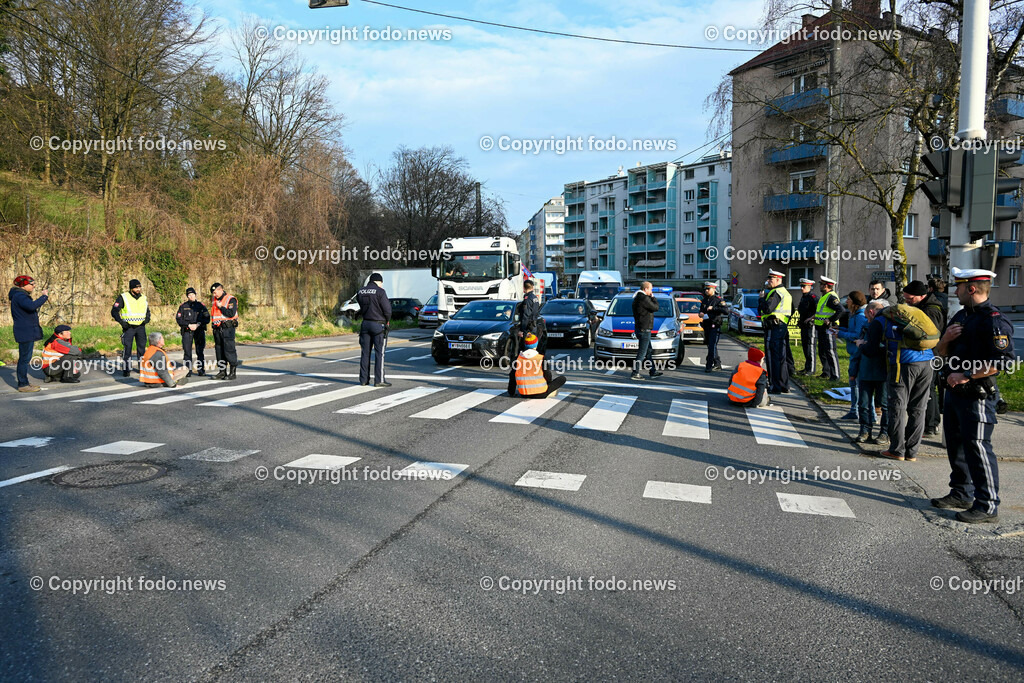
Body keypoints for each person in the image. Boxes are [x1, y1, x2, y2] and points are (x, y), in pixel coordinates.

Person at [931, 268, 1014, 524]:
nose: (954, 291)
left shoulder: (993, 320)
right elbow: (939, 354)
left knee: (978, 449)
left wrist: (966, 373)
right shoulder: (961, 316)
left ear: (972, 288)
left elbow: (1003, 362)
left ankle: (987, 505)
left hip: (976, 396)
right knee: (957, 446)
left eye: (959, 287)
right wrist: (944, 340)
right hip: (954, 394)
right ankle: (961, 493)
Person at [878, 287, 936, 464]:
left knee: (898, 406)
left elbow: (880, 341)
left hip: (903, 363)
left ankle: (897, 450)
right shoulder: (919, 316)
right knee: (919, 408)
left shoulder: (885, 319)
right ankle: (912, 452)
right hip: (927, 361)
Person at [904, 280, 946, 437]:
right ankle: (930, 423)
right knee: (927, 389)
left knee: (927, 390)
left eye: (910, 299)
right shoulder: (923, 306)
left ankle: (930, 425)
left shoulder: (931, 310)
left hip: (931, 354)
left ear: (921, 296)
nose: (908, 302)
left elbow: (929, 333)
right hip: (927, 354)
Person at [853, 300, 890, 445]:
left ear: (870, 312)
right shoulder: (865, 327)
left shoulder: (884, 326)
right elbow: (858, 352)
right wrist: (853, 371)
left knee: (884, 404)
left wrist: (864, 345)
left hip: (882, 371)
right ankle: (865, 430)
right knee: (863, 403)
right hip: (866, 371)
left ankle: (884, 433)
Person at [9, 275, 49, 392]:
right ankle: (23, 385)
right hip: (25, 332)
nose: (34, 286)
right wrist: (44, 296)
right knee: (24, 359)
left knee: (25, 358)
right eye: (32, 284)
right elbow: (31, 306)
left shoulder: (19, 295)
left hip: (26, 331)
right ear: (24, 285)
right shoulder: (20, 296)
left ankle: (24, 382)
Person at [836, 291, 868, 420]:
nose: (846, 301)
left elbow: (857, 335)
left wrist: (841, 334)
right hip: (853, 353)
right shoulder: (854, 315)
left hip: (858, 355)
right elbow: (852, 331)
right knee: (854, 382)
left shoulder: (860, 316)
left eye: (849, 299)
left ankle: (857, 411)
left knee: (856, 383)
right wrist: (840, 330)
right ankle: (854, 409)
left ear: (854, 303)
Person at [356, 273, 392, 387]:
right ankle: (379, 380)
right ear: (378, 281)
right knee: (379, 353)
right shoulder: (380, 292)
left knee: (365, 353)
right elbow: (387, 310)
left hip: (365, 324)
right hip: (378, 325)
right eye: (381, 283)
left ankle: (363, 380)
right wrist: (387, 321)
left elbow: (361, 307)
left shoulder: (360, 291)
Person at [507, 332, 566, 398]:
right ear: (536, 345)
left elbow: (512, 376)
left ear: (525, 344)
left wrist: (511, 392)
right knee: (562, 378)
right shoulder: (540, 358)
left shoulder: (518, 358)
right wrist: (548, 383)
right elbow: (547, 374)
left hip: (524, 393)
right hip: (541, 393)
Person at [111, 278, 150, 378]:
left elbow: (147, 311)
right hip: (129, 328)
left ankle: (142, 369)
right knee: (127, 349)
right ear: (131, 288)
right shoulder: (123, 297)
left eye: (139, 287)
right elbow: (114, 311)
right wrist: (121, 322)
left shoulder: (143, 298)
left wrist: (147, 319)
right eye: (136, 287)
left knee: (142, 350)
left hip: (141, 327)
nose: (138, 289)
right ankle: (126, 369)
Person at [762, 269, 792, 394]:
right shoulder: (786, 293)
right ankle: (784, 385)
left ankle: (775, 385)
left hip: (773, 327)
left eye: (771, 279)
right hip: (782, 327)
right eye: (769, 278)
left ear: (778, 280)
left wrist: (761, 299)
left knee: (771, 356)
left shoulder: (775, 293)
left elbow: (767, 309)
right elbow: (792, 310)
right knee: (781, 357)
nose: (768, 281)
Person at [630, 282, 663, 381]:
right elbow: (655, 307)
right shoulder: (643, 298)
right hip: (644, 329)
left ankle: (653, 371)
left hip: (641, 328)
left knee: (648, 351)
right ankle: (635, 372)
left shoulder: (637, 298)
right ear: (645, 289)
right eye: (651, 289)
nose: (651, 291)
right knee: (642, 352)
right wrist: (653, 298)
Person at [176, 287, 210, 377]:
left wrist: (198, 324)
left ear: (195, 294)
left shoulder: (201, 306)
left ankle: (201, 370)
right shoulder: (183, 306)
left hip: (199, 330)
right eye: (189, 295)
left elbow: (207, 318)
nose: (191, 296)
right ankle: (187, 370)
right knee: (187, 351)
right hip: (187, 331)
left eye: (192, 294)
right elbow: (179, 319)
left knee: (200, 351)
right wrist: (188, 325)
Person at [814, 276, 843, 380]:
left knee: (830, 351)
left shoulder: (831, 297)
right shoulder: (825, 296)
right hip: (821, 328)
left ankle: (835, 375)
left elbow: (841, 310)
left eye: (821, 284)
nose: (820, 286)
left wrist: (830, 320)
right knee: (822, 351)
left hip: (829, 328)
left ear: (826, 286)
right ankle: (826, 372)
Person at [209, 282, 239, 380]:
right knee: (219, 351)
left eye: (215, 292)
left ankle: (232, 372)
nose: (214, 294)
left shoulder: (230, 299)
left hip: (227, 328)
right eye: (213, 293)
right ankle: (222, 372)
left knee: (229, 350)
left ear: (221, 289)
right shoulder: (214, 300)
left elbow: (230, 313)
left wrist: (221, 307)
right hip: (217, 329)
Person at [699, 282, 727, 372]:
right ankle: (717, 364)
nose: (706, 291)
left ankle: (709, 365)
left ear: (713, 289)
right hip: (706, 325)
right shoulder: (704, 300)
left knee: (712, 345)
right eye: (705, 289)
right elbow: (702, 310)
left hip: (715, 325)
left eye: (708, 289)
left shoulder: (718, 300)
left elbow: (726, 311)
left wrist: (713, 308)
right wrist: (701, 313)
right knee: (710, 345)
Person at [796, 277, 818, 375]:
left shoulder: (813, 297)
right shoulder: (804, 297)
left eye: (804, 286)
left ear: (809, 286)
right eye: (801, 286)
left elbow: (818, 311)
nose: (802, 288)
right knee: (805, 347)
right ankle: (806, 367)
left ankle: (811, 369)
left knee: (810, 346)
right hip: (804, 325)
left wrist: (811, 318)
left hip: (811, 325)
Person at [518, 280, 542, 355]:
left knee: (527, 349)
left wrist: (522, 329)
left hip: (528, 327)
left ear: (524, 288)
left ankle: (527, 365)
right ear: (532, 287)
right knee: (533, 347)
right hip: (534, 325)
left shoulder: (527, 299)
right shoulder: (535, 297)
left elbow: (526, 315)